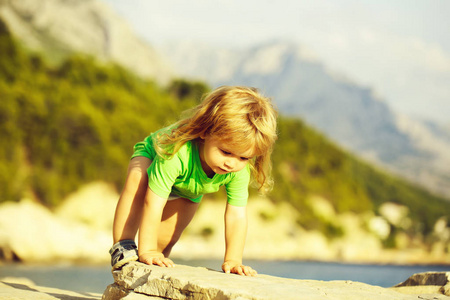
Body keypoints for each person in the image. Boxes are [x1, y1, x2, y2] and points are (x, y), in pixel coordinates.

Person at [110, 86, 277, 276]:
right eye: (226, 152)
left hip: (190, 188)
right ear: (205, 132)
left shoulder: (239, 170)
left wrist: (233, 260)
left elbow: (237, 215)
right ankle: (122, 245)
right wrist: (146, 249)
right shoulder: (177, 153)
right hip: (153, 155)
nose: (232, 163)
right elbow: (153, 202)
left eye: (244, 158)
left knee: (166, 240)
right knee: (137, 181)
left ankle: (149, 276)